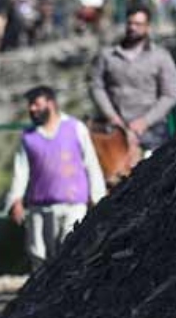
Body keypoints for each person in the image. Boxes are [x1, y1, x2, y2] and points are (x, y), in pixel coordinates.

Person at [6, 86, 107, 269]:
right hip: (40, 208)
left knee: (70, 250)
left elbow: (91, 164)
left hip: (73, 205)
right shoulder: (28, 137)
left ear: (51, 103)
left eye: (36, 104)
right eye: (30, 105)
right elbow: (21, 171)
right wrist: (15, 200)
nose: (32, 109)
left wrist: (98, 197)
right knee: (39, 257)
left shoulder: (75, 128)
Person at [89, 4, 176, 168]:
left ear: (147, 27)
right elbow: (97, 86)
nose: (132, 28)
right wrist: (111, 115)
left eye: (138, 24)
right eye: (130, 23)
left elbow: (170, 94)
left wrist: (145, 121)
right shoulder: (107, 55)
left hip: (151, 129)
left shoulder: (161, 57)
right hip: (113, 127)